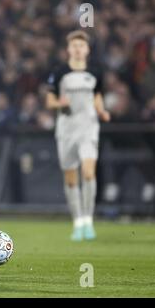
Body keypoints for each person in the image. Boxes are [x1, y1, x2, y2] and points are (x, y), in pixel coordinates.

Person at [46, 30, 110, 241]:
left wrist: (101, 110)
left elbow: (97, 96)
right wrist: (59, 103)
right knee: (71, 178)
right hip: (66, 129)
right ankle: (78, 220)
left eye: (81, 45)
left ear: (87, 49)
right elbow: (50, 101)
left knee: (89, 173)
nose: (78, 49)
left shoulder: (95, 72)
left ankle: (88, 221)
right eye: (74, 45)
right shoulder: (59, 72)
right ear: (68, 49)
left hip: (88, 128)